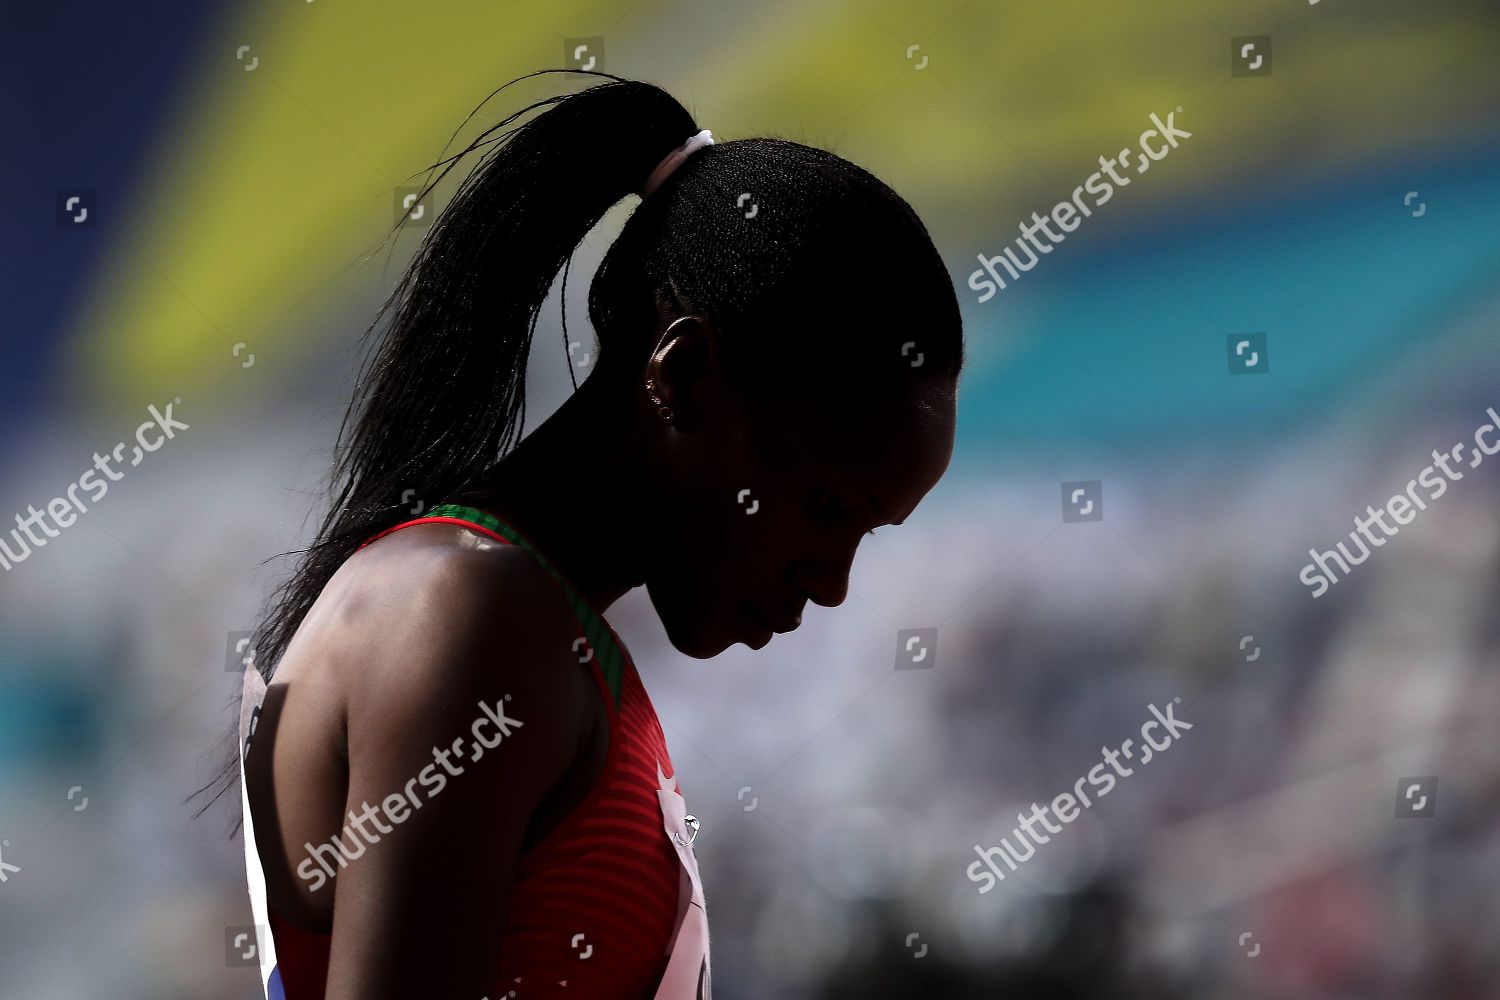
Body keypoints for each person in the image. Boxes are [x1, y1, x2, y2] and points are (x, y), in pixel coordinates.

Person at [233, 69, 964, 1000]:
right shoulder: (464, 619)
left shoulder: (550, 644)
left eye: (867, 533)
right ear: (688, 377)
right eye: (825, 509)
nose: (832, 584)